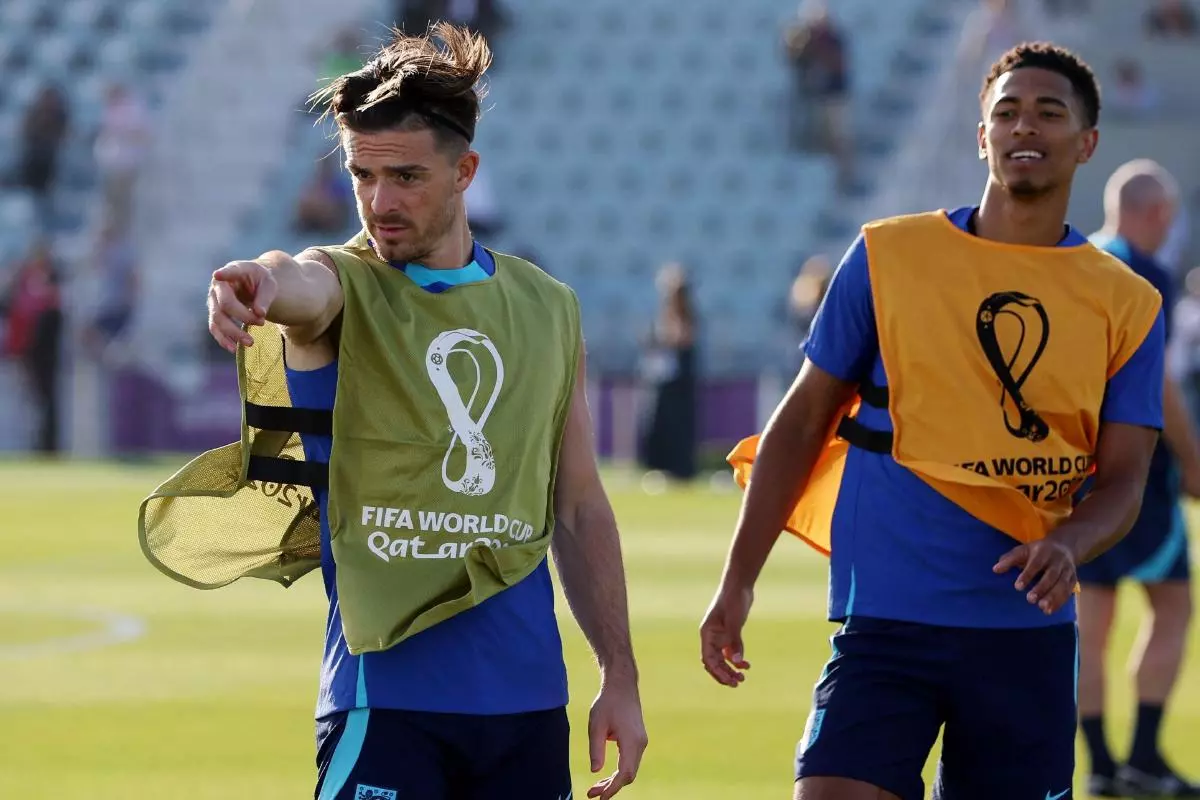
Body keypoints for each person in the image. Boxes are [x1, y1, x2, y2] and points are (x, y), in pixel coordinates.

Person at [141, 24, 647, 800]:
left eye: (406, 177)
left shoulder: (549, 310)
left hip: (530, 709)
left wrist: (619, 673)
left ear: (466, 171)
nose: (380, 202)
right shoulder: (344, 288)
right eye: (362, 176)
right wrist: (256, 281)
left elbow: (578, 507)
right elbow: (296, 278)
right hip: (386, 708)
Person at [701, 42, 1167, 800]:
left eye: (1050, 113)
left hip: (1025, 638)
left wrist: (1069, 544)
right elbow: (801, 420)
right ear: (981, 136)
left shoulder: (1128, 303)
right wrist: (737, 580)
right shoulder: (888, 256)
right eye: (1006, 112)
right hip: (885, 625)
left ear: (1087, 143)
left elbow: (1123, 480)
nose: (1026, 127)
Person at [1077, 160, 1200, 798]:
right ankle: (1144, 755)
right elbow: (1158, 383)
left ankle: (1099, 765)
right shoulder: (1144, 272)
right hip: (1138, 472)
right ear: (1156, 213)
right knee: (1174, 605)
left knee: (1089, 625)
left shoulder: (1079, 259)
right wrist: (1194, 457)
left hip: (1076, 471)